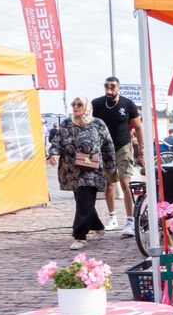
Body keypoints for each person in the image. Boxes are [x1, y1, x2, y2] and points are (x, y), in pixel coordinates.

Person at [48, 96, 116, 250]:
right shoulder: (67, 124)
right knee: (83, 203)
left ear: (87, 107)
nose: (76, 107)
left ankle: (79, 236)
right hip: (72, 171)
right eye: (73, 104)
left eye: (79, 104)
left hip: (92, 170)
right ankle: (98, 227)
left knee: (84, 201)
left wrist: (111, 167)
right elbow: (57, 141)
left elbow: (108, 146)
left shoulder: (98, 124)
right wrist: (54, 154)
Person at [91, 76, 143, 237]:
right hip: (105, 148)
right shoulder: (97, 104)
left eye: (112, 87)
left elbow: (138, 127)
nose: (109, 90)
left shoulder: (128, 104)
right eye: (106, 86)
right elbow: (91, 125)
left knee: (125, 182)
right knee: (109, 184)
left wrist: (141, 152)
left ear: (119, 88)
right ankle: (112, 218)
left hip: (123, 146)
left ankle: (130, 221)